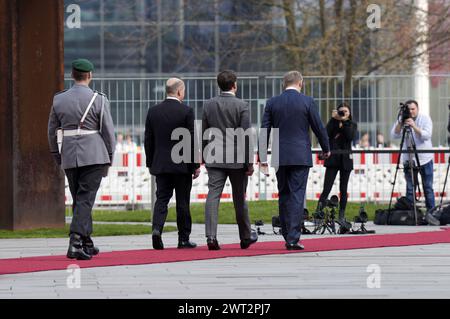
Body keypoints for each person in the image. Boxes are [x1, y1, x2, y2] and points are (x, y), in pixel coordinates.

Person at [48, 58, 116, 260]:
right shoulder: (99, 99)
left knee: (80, 198)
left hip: (69, 154)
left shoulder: (59, 99)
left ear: (72, 75)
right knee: (85, 198)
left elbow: (52, 130)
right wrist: (110, 155)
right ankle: (75, 241)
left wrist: (56, 153)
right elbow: (108, 131)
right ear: (90, 76)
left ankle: (86, 240)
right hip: (94, 155)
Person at [260, 71, 330, 250]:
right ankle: (292, 238)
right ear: (301, 83)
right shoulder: (307, 101)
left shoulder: (272, 102)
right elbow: (318, 127)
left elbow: (264, 131)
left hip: (279, 155)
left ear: (284, 84)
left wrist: (262, 157)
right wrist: (326, 148)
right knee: (297, 195)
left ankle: (286, 233)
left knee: (283, 193)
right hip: (300, 154)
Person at [202, 70, 256, 250]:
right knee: (239, 198)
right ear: (234, 85)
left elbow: (204, 132)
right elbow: (245, 136)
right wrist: (249, 162)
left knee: (212, 196)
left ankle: (211, 237)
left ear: (219, 85)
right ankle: (245, 236)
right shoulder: (242, 105)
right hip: (237, 159)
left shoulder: (208, 104)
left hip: (214, 156)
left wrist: (203, 155)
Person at [144, 78, 200, 250]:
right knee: (183, 201)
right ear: (179, 92)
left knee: (161, 198)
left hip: (161, 165)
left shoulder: (153, 111)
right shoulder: (186, 111)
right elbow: (191, 141)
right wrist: (195, 165)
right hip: (181, 166)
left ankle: (157, 230)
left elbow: (148, 140)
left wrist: (150, 163)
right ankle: (183, 238)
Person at [390, 100, 435, 211]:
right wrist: (401, 123)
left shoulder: (424, 119)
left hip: (424, 158)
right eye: (408, 109)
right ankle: (410, 213)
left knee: (427, 187)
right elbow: (393, 135)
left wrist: (414, 126)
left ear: (417, 109)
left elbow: (427, 135)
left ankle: (432, 212)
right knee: (410, 188)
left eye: (413, 109)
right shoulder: (402, 120)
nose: (410, 111)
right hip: (408, 159)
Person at [317, 102, 357, 223]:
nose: (343, 113)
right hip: (333, 159)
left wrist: (344, 121)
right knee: (326, 188)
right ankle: (318, 214)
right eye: (341, 111)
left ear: (349, 114)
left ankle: (341, 215)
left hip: (345, 160)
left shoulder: (352, 124)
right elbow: (325, 134)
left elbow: (350, 136)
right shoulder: (333, 123)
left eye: (346, 111)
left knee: (343, 189)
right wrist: (333, 119)